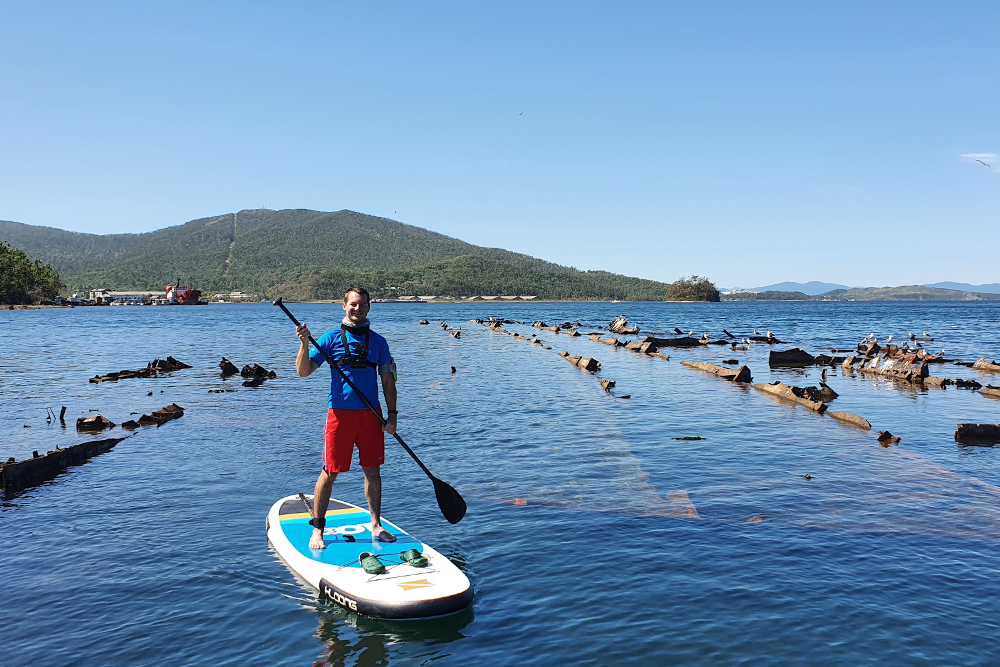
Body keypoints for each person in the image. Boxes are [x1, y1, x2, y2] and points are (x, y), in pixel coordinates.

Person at [295, 287, 398, 549]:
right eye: (353, 304)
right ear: (344, 306)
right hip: (339, 416)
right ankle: (318, 529)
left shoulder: (379, 342)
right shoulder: (329, 339)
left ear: (369, 307)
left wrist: (392, 415)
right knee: (330, 473)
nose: (358, 308)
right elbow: (304, 371)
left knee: (372, 471)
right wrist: (305, 343)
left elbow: (388, 380)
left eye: (363, 304)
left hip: (371, 415)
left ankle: (376, 525)